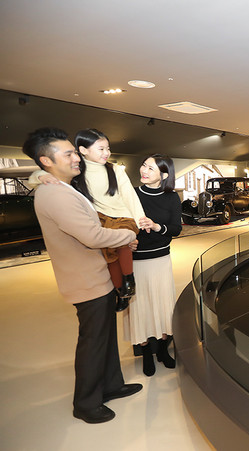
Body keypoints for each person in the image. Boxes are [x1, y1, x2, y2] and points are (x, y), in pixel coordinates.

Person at [22, 127, 142, 424]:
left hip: (95, 276)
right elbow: (91, 236)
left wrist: (38, 176)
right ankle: (86, 403)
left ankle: (111, 385)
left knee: (105, 338)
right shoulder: (55, 194)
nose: (76, 158)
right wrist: (127, 235)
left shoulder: (62, 186)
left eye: (75, 153)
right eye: (69, 154)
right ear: (46, 161)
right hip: (85, 281)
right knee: (93, 342)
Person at [31, 129, 147, 311]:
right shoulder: (78, 171)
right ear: (83, 150)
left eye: (108, 148)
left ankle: (128, 280)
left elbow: (129, 196)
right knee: (109, 256)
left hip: (121, 216)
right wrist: (40, 175)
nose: (106, 153)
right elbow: (42, 174)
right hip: (100, 219)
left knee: (122, 246)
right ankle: (120, 289)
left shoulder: (115, 169)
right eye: (101, 149)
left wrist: (140, 221)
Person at [123, 154, 182, 376]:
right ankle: (146, 351)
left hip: (161, 261)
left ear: (164, 175)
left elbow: (176, 229)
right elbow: (120, 224)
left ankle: (163, 350)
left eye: (151, 168)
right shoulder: (132, 195)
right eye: (144, 165)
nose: (144, 170)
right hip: (137, 262)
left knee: (163, 305)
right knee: (141, 308)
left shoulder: (171, 197)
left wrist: (157, 226)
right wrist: (127, 240)